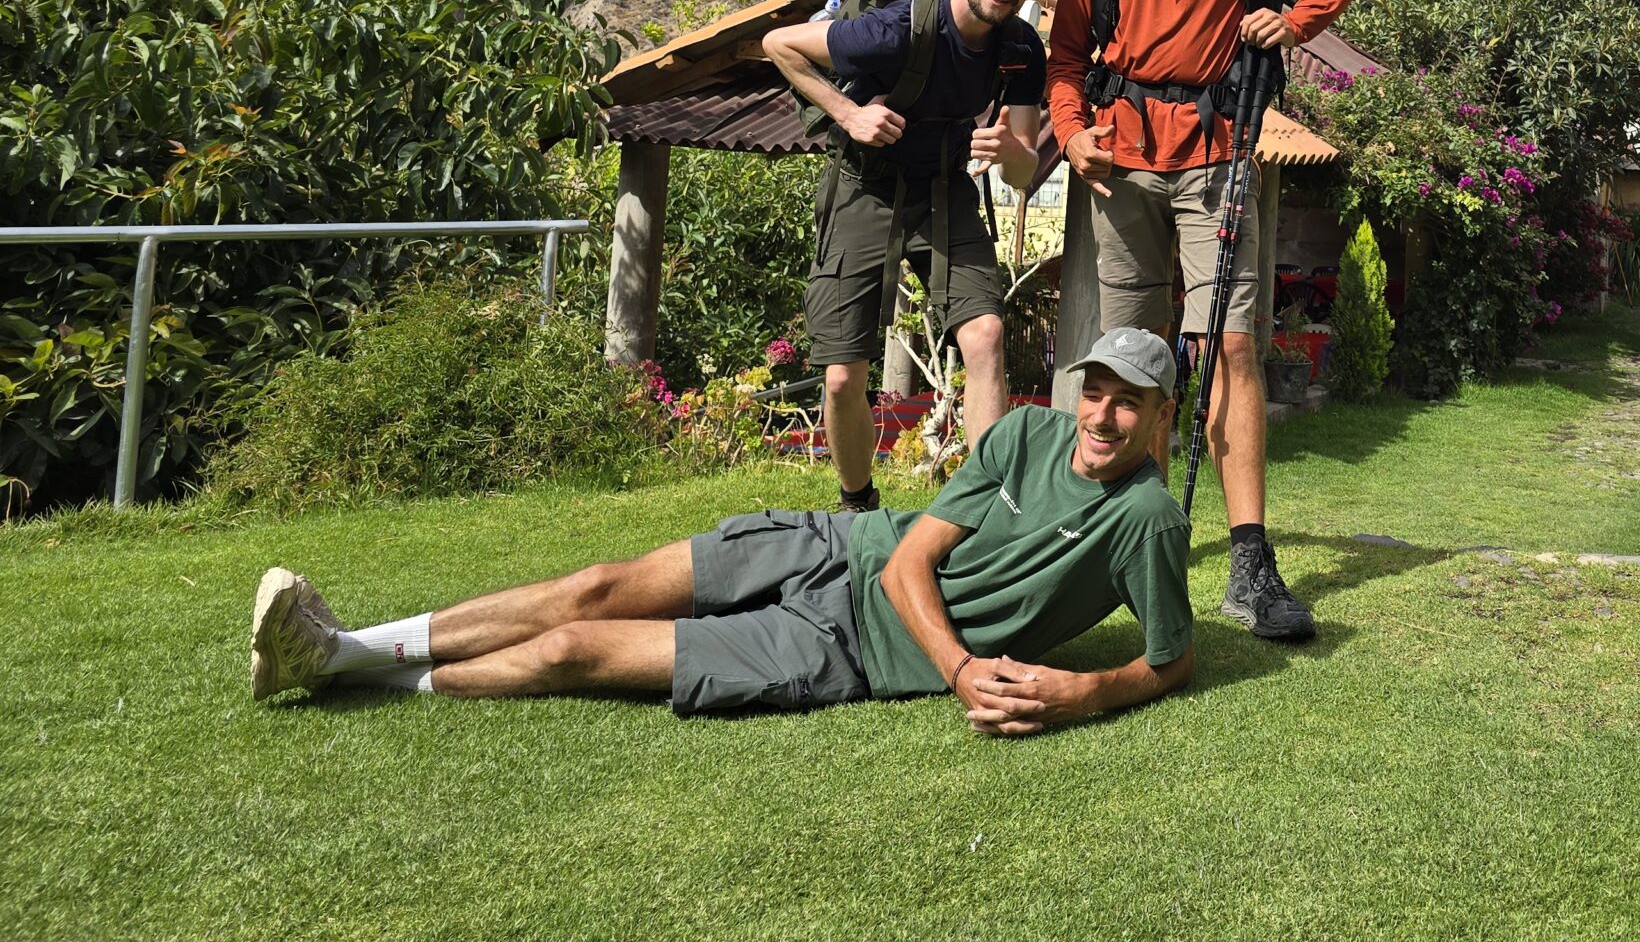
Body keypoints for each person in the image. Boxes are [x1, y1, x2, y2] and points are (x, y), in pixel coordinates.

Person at [248, 330, 1194, 733]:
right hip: (841, 548)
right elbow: (911, 556)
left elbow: (1171, 659)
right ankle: (342, 646)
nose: (1102, 417)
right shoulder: (1028, 433)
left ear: (1161, 417)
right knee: (594, 587)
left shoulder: (1146, 518)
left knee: (575, 650)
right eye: (1096, 392)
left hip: (850, 651)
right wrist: (957, 670)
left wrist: (1086, 693)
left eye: (1129, 403)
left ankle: (342, 668)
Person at [1045, 0, 1375, 642]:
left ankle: (1250, 566)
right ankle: (1126, 537)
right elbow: (1066, 57)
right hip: (1122, 163)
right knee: (1130, 361)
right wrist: (1071, 133)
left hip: (1218, 154)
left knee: (1230, 346)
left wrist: (1296, 22)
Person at [762, 0, 1048, 513]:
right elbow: (778, 44)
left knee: (986, 334)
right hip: (864, 188)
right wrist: (849, 115)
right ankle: (858, 506)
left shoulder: (1021, 49)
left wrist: (1010, 151)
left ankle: (985, 511)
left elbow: (1022, 173)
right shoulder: (895, 29)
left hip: (946, 191)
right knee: (843, 375)